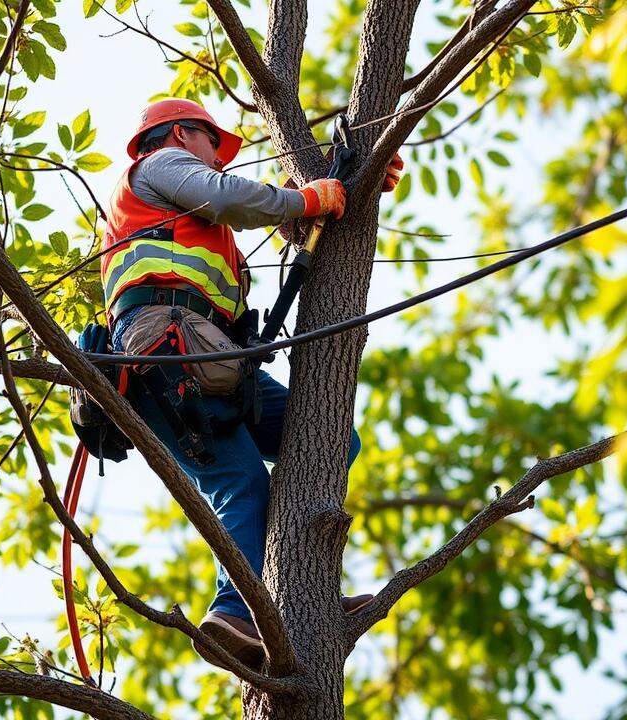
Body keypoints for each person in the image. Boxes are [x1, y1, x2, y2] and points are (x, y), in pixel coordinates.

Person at [100, 98, 402, 671]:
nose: (217, 160)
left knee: (334, 439)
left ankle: (298, 603)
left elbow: (262, 216)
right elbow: (230, 197)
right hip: (166, 356)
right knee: (240, 482)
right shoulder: (157, 165)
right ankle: (231, 614)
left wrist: (354, 184)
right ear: (185, 134)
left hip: (209, 358)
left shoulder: (195, 225)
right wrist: (304, 197)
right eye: (216, 146)